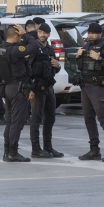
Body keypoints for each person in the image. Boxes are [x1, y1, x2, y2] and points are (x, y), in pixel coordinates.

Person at [76, 22, 104, 162]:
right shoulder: (86, 46)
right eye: (89, 33)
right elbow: (80, 67)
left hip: (97, 87)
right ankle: (94, 149)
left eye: (93, 33)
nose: (90, 35)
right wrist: (78, 57)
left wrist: (100, 58)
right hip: (86, 86)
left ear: (100, 34)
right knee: (88, 119)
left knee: (103, 118)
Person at [0, 24, 40, 162]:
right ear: (15, 36)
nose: (21, 38)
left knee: (9, 121)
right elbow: (34, 46)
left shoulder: (0, 48)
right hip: (17, 89)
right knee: (17, 122)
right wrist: (26, 34)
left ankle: (7, 151)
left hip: (7, 87)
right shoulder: (14, 50)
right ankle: (13, 152)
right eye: (19, 36)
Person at [28, 22, 64, 158]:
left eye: (45, 33)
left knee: (50, 117)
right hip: (36, 87)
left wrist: (57, 66)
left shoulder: (49, 49)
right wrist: (29, 88)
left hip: (49, 86)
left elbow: (52, 68)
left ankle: (48, 147)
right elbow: (27, 69)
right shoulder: (33, 49)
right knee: (36, 118)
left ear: (48, 34)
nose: (43, 35)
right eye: (40, 32)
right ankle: (36, 149)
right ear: (37, 33)